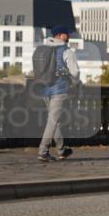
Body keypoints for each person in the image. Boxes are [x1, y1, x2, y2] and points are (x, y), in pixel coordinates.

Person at [36, 25, 80, 162]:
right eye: (66, 34)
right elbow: (75, 72)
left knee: (54, 120)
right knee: (53, 121)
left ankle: (61, 150)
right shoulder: (66, 51)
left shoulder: (43, 48)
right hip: (59, 89)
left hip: (44, 89)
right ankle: (43, 151)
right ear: (60, 35)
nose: (68, 36)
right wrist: (73, 84)